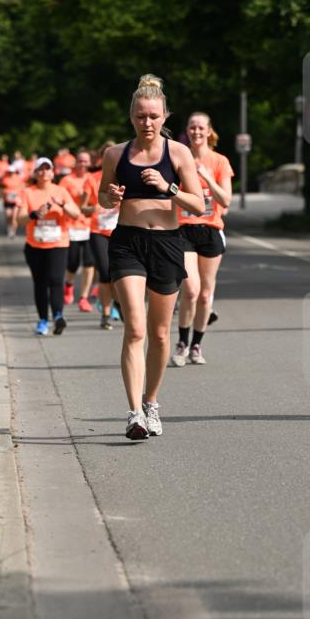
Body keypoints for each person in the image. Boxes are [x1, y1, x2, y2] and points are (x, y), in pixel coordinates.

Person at [99, 74, 204, 439]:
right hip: (127, 242)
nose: (148, 123)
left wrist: (169, 188)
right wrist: (111, 197)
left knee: (160, 335)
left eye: (154, 116)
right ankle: (133, 415)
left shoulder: (178, 153)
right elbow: (102, 198)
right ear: (132, 117)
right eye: (141, 116)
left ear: (165, 116)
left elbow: (200, 204)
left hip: (167, 243)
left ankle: (151, 402)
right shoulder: (115, 154)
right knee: (136, 329)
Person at [171, 112, 233, 366]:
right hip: (184, 228)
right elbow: (168, 192)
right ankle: (182, 342)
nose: (196, 132)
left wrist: (207, 177)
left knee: (206, 296)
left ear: (209, 131)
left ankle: (197, 344)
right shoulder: (178, 159)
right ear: (187, 131)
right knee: (191, 290)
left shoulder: (219, 162)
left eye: (201, 128)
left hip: (210, 230)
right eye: (192, 128)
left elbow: (226, 201)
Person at [18, 157, 81, 335]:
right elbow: (20, 219)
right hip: (34, 246)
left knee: (55, 281)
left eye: (48, 169)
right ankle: (43, 320)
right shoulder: (28, 192)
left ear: (53, 172)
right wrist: (34, 214)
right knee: (40, 283)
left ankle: (59, 317)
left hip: (58, 244)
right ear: (35, 173)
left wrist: (63, 206)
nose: (44, 172)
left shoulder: (61, 191)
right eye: (41, 169)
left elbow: (76, 214)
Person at [83, 141, 119, 329]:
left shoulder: (125, 175)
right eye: (105, 155)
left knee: (119, 274)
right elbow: (83, 208)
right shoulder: (92, 178)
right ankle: (105, 314)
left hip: (122, 230)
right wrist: (94, 207)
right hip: (98, 231)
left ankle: (119, 303)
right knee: (105, 273)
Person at [59, 150, 95, 311]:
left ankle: (83, 297)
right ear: (75, 163)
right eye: (80, 161)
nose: (83, 164)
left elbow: (98, 199)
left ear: (90, 163)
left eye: (86, 161)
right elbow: (59, 200)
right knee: (72, 263)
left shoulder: (92, 179)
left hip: (90, 226)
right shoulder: (67, 180)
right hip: (71, 226)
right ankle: (69, 285)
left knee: (89, 262)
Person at [1, 164, 25, 238]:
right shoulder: (5, 179)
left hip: (16, 200)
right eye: (10, 172)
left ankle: (13, 232)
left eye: (12, 172)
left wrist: (20, 196)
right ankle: (9, 227)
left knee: (14, 216)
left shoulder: (19, 179)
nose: (11, 173)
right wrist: (4, 193)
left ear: (15, 172)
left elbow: (23, 188)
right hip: (7, 200)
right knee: (8, 215)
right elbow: (2, 188)